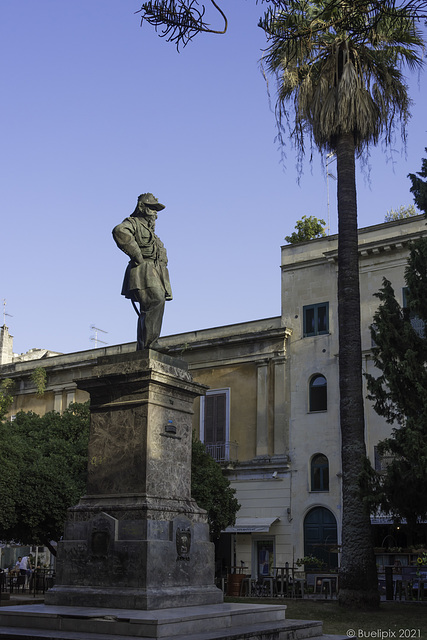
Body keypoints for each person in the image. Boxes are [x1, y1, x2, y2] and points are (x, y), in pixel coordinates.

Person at [112, 193, 172, 350]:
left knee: (154, 305)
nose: (155, 213)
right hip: (143, 271)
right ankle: (150, 344)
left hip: (155, 272)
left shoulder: (152, 232)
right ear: (142, 208)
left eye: (156, 210)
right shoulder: (133, 223)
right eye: (152, 208)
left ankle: (145, 346)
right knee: (156, 300)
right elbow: (119, 231)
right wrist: (137, 254)